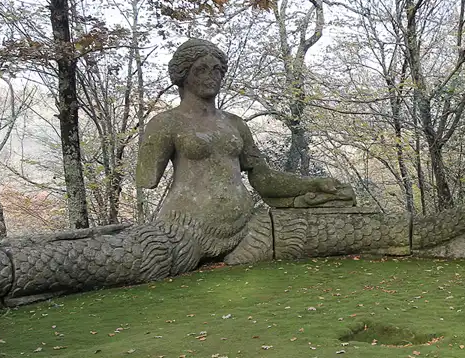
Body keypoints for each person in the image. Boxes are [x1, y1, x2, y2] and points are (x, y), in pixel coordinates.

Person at [136, 38, 348, 258]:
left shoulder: (235, 124)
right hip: (186, 227)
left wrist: (313, 184)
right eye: (201, 70)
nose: (211, 76)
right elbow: (146, 178)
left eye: (217, 70)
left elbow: (264, 180)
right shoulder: (166, 123)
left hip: (246, 225)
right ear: (183, 75)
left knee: (324, 231)